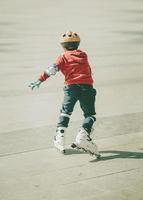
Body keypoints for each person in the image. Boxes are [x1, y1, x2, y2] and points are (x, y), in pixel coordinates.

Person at [29, 31, 100, 158]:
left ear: (62, 46)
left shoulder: (63, 56)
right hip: (87, 88)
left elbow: (52, 69)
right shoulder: (83, 55)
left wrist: (39, 80)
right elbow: (88, 70)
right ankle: (83, 135)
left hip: (71, 88)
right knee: (90, 115)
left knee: (66, 112)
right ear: (78, 44)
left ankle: (60, 137)